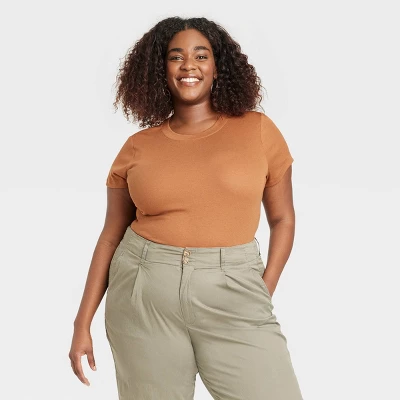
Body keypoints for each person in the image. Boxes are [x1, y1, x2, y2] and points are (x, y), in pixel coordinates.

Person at [69, 16, 303, 400]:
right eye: (175, 57)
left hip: (234, 287)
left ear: (217, 67)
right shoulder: (138, 147)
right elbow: (111, 236)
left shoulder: (258, 130)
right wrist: (82, 323)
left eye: (201, 55)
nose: (188, 65)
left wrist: (263, 290)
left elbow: (283, 219)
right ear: (160, 70)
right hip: (144, 291)